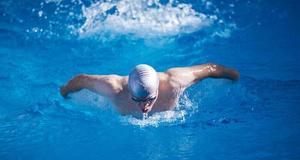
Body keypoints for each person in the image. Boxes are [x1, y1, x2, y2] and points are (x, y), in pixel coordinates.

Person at [60, 63, 239, 115]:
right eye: (137, 100)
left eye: (150, 99)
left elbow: (211, 69)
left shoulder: (174, 82)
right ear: (128, 91)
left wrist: (235, 78)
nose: (144, 107)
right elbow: (81, 80)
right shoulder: (113, 87)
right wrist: (64, 94)